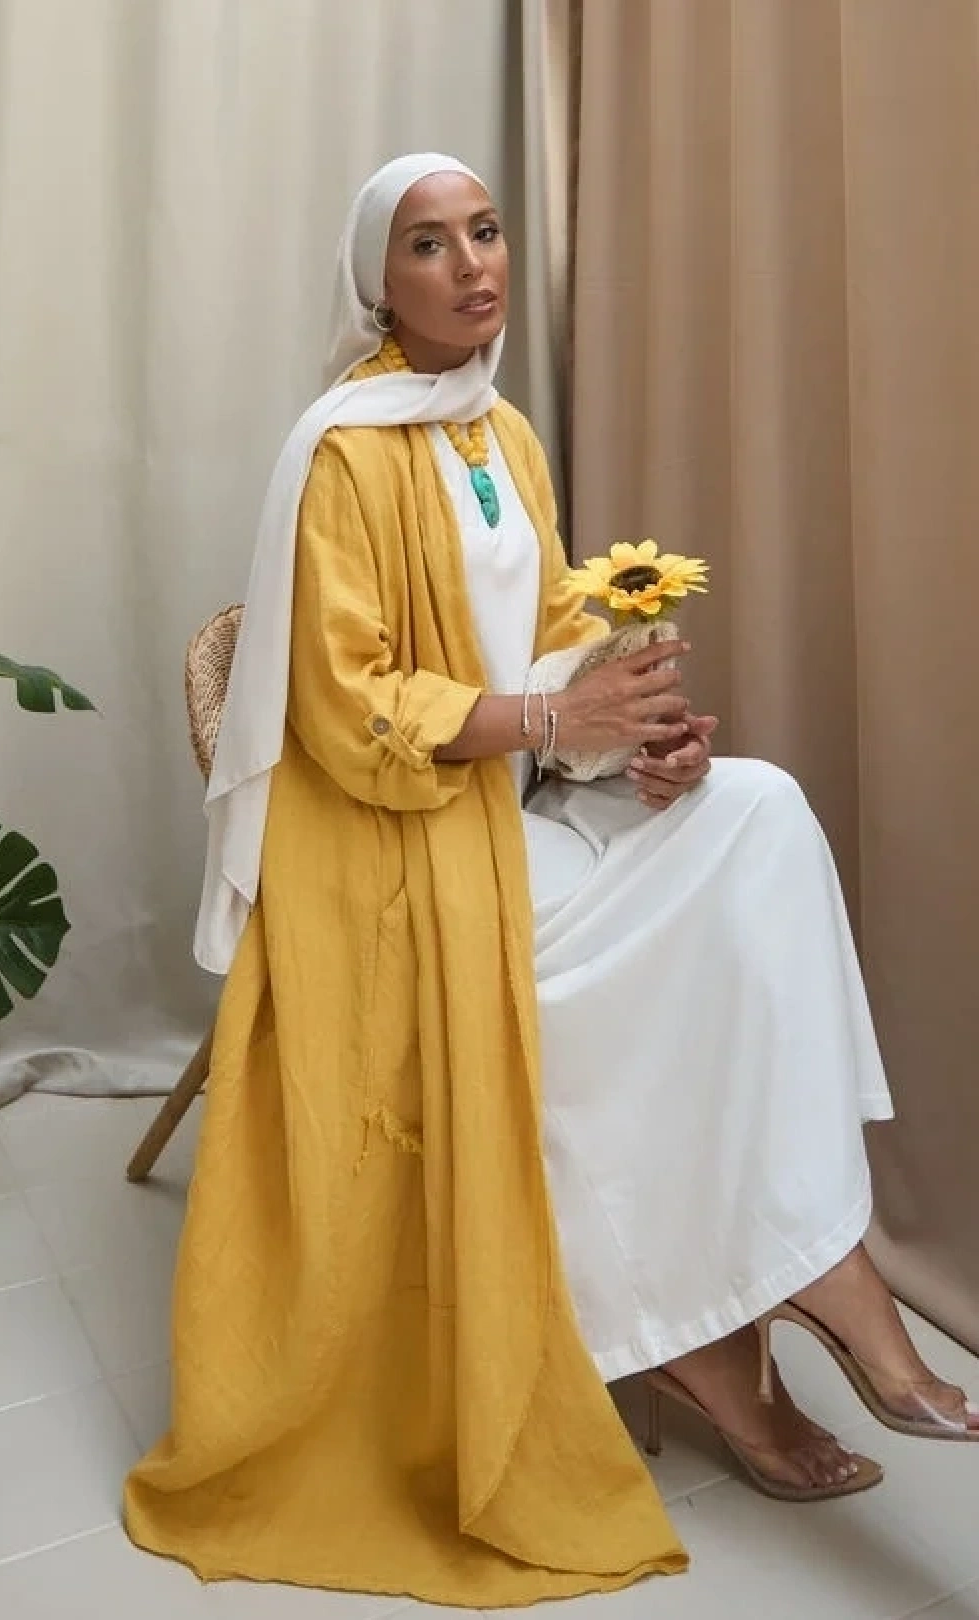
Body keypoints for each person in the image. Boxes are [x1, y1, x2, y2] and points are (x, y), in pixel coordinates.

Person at [124, 154, 977, 1608]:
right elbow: (345, 704)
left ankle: (803, 1258)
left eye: (485, 231)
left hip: (505, 807)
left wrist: (623, 735)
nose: (471, 265)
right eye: (428, 245)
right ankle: (753, 1320)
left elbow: (532, 649)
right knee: (653, 978)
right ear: (376, 284)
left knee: (761, 813)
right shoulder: (340, 454)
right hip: (385, 850)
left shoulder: (500, 430)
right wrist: (546, 719)